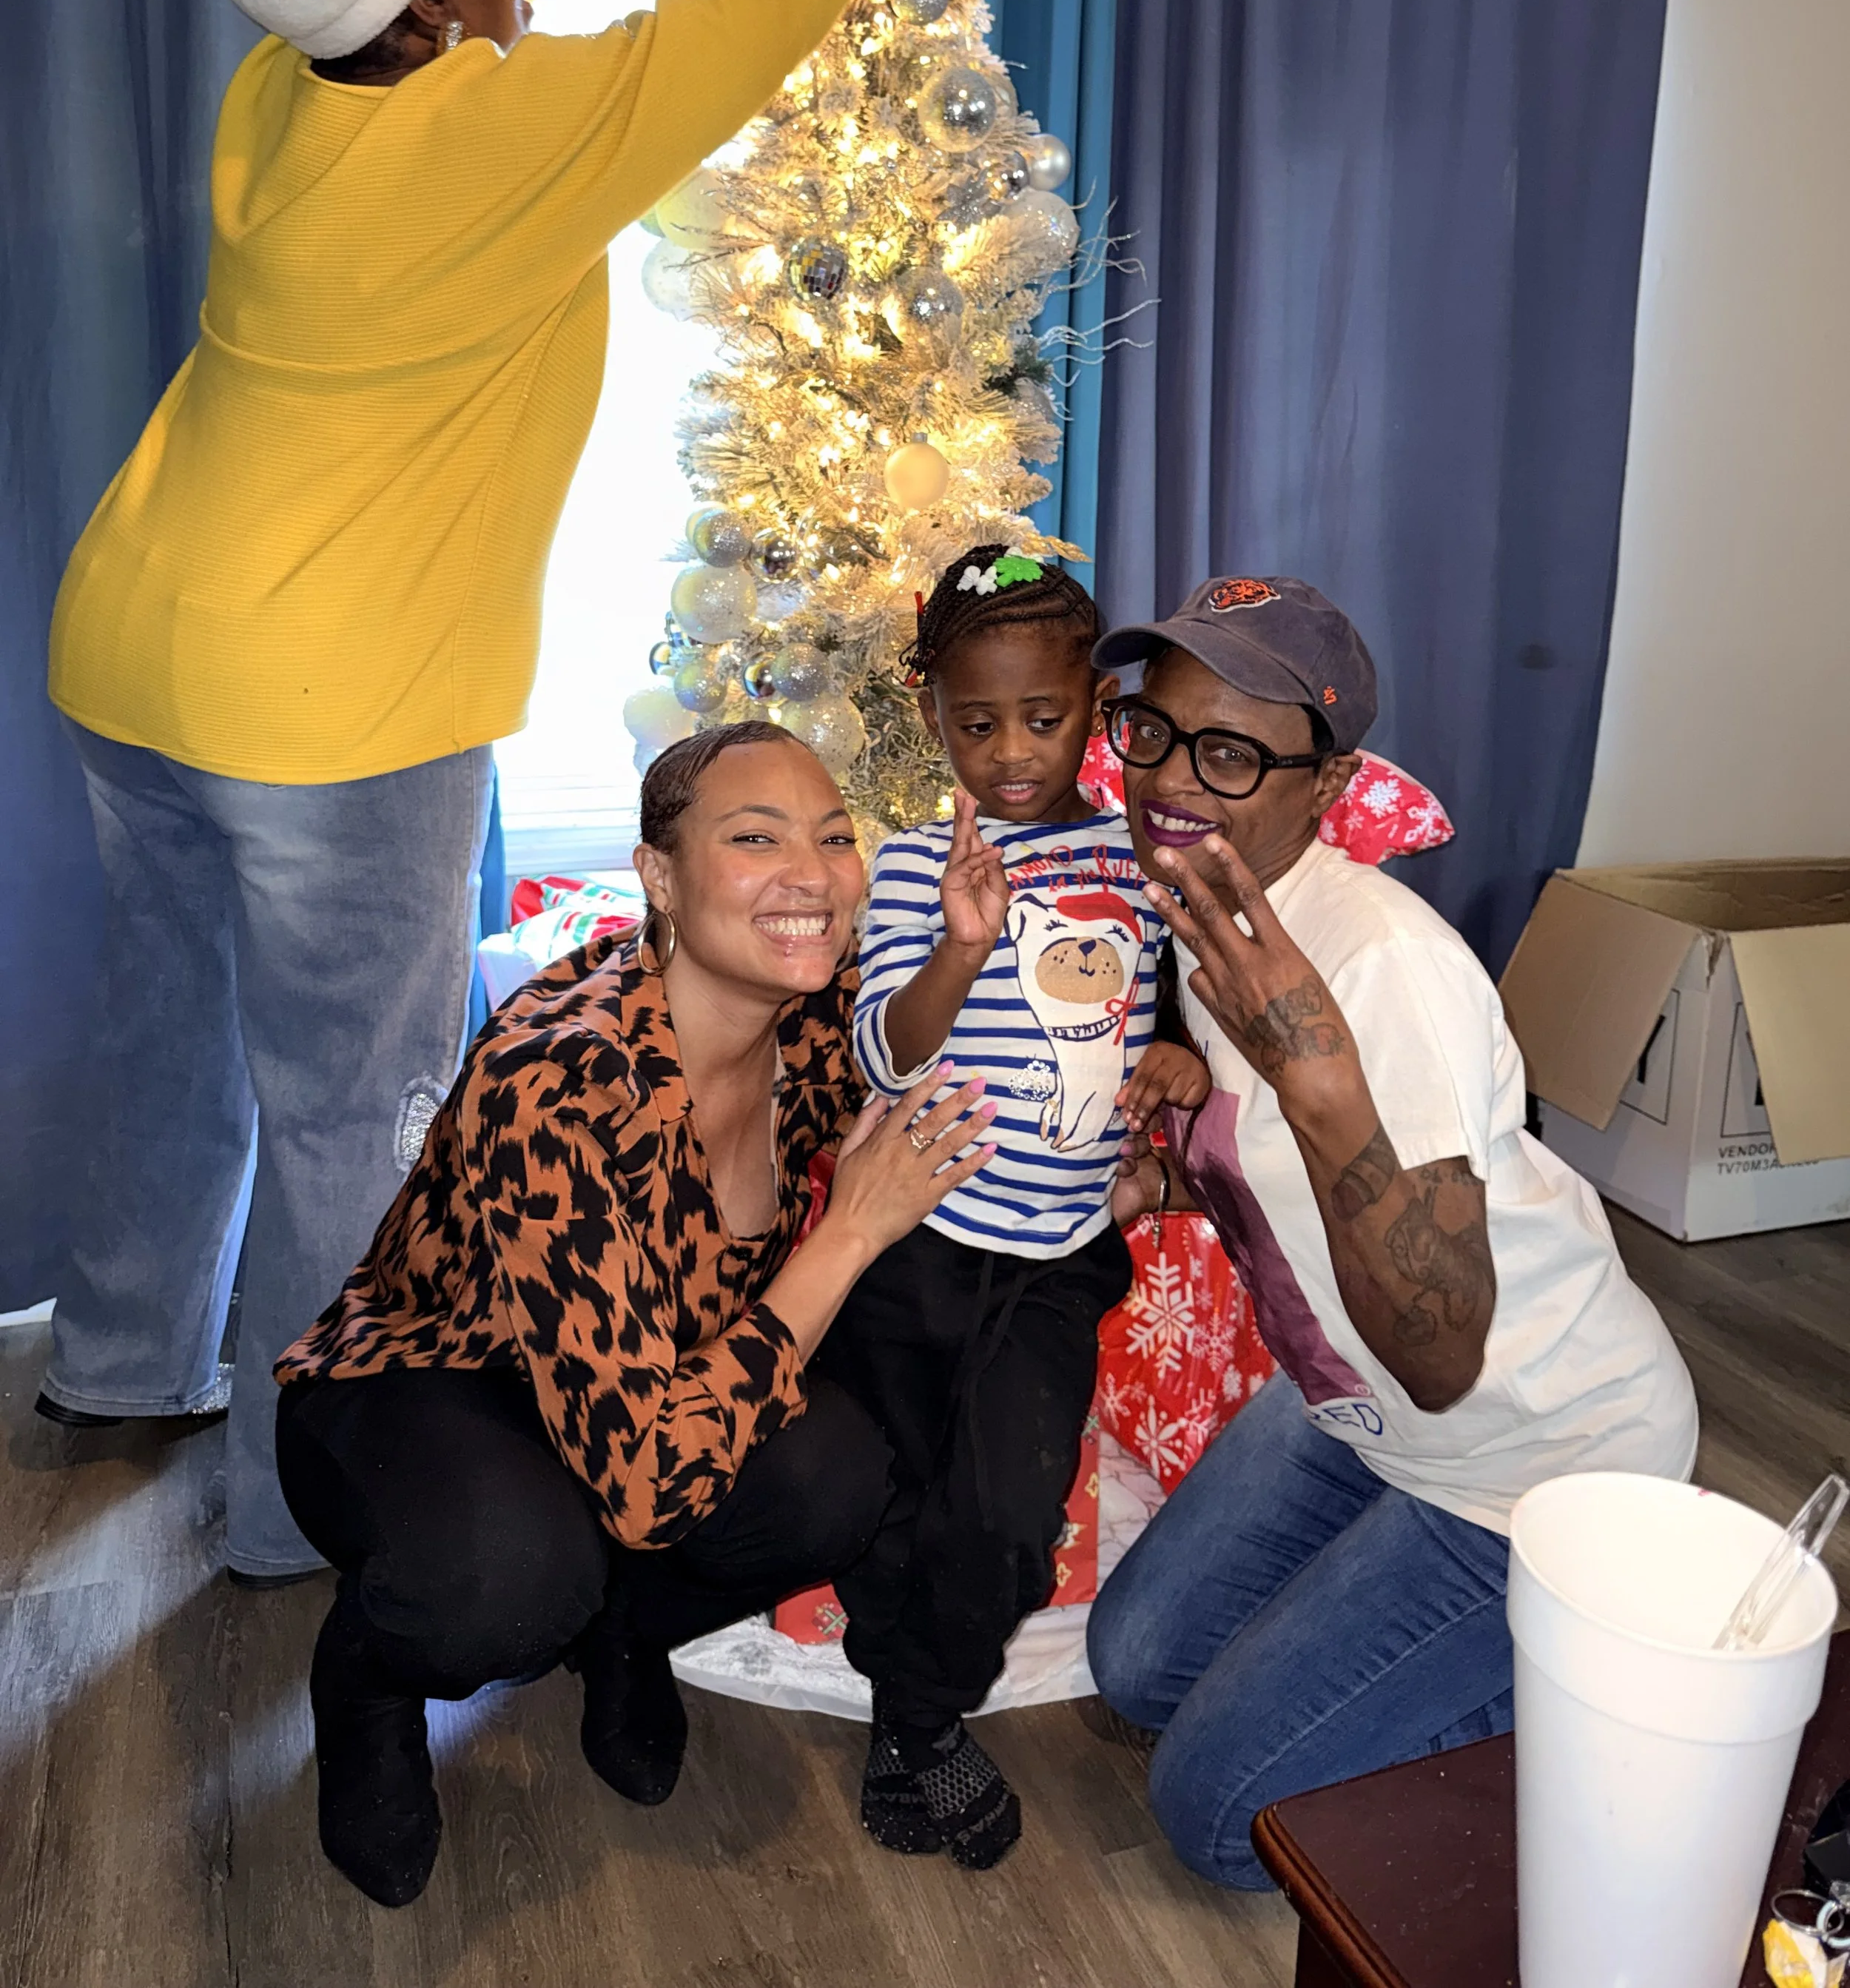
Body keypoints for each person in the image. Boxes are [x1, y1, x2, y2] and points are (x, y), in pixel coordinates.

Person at [39, 0, 962, 1580]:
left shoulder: (293, 81)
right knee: (350, 1118)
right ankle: (305, 1514)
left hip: (135, 654)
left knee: (163, 1027)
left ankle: (125, 1362)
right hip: (330, 715)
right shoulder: (512, 134)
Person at [272, 720, 999, 1907]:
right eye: (754, 838)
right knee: (509, 1580)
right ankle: (366, 1678)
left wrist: (964, 961)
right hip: (437, 1377)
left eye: (832, 839)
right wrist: (852, 1231)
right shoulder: (560, 1078)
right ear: (659, 874)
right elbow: (651, 1482)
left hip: (641, 1378)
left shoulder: (807, 1004)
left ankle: (623, 1631)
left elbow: (890, 1057)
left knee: (838, 1478)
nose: (811, 875)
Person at [1085, 576, 1698, 1890]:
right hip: (1354, 1411)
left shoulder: (1376, 968)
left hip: (1528, 1456)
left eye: (1234, 753)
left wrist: (1318, 1082)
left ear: (1329, 782)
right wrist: (1170, 1179)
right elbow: (1270, 1176)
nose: (1174, 779)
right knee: (1135, 1667)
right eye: (1157, 729)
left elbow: (1441, 1352)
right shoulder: (1214, 908)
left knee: (1219, 1817)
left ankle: (1632, 1683)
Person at [829, 546, 1208, 1870]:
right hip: (912, 1245)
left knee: (1003, 1515)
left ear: (1092, 718)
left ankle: (922, 1705)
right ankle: (908, 1717)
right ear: (932, 714)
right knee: (890, 1488)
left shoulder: (1139, 862)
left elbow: (1167, 1019)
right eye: (975, 723)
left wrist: (1184, 1059)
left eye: (1041, 720)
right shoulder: (909, 868)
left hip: (1056, 1255)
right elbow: (887, 1054)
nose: (1009, 753)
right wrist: (963, 945)